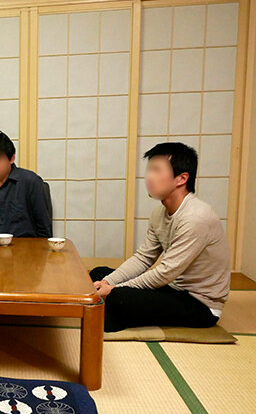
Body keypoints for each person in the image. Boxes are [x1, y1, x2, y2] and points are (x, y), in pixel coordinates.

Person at [91, 142, 230, 332]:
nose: (149, 177)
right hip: (172, 289)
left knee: (118, 297)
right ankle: (114, 311)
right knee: (98, 274)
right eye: (149, 169)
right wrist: (108, 282)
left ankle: (112, 312)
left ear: (181, 178)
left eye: (156, 170)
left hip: (200, 304)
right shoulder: (159, 213)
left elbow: (165, 272)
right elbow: (143, 258)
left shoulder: (196, 217)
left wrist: (115, 290)